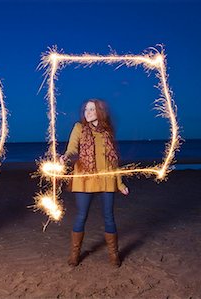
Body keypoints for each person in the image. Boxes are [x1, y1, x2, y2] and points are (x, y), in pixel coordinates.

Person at [59, 99, 129, 268]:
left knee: (109, 217)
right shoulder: (79, 128)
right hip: (85, 178)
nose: (87, 112)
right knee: (81, 216)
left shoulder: (107, 132)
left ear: (100, 111)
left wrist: (120, 184)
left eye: (91, 109)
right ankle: (75, 254)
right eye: (86, 109)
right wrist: (66, 157)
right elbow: (72, 149)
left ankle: (114, 255)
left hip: (106, 178)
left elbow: (113, 161)